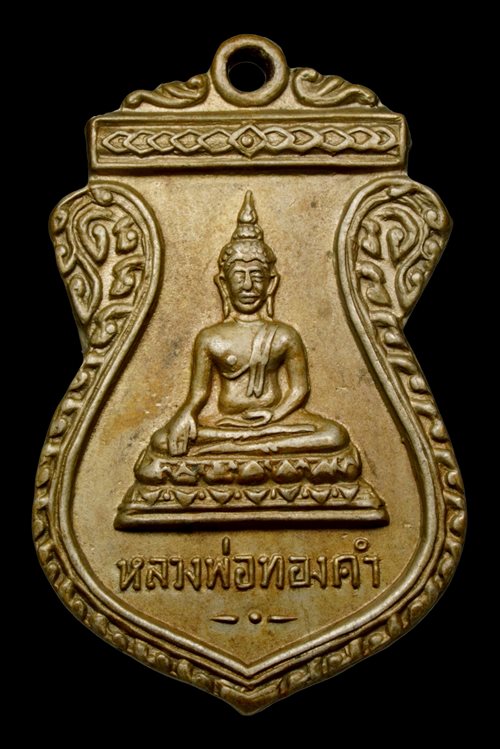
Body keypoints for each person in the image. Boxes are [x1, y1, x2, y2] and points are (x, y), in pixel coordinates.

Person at [141, 191, 356, 468]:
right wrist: (185, 415)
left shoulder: (284, 335)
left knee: (334, 435)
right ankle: (249, 449)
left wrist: (274, 415)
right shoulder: (210, 338)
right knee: (162, 440)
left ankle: (235, 451)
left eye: (256, 275)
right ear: (223, 283)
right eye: (238, 276)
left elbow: (299, 389)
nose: (247, 286)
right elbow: (198, 395)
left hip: (278, 422)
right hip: (224, 423)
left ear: (271, 283)